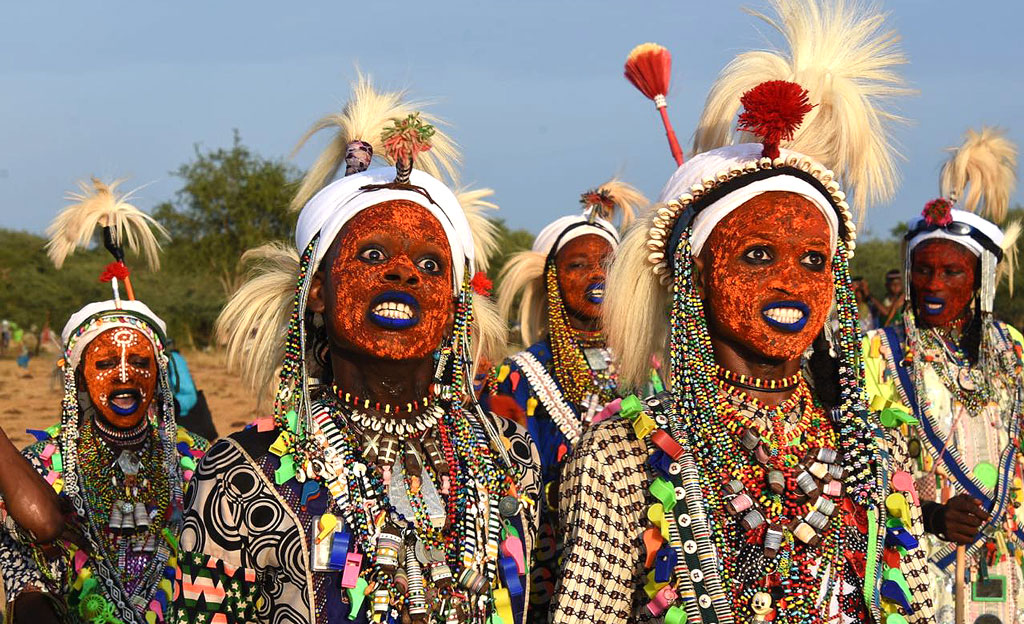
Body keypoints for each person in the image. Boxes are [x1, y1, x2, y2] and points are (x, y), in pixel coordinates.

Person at [553, 1, 935, 621]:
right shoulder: (621, 451)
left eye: (814, 261)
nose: (791, 280)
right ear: (694, 273)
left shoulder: (872, 451)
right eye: (758, 255)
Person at [174, 75, 539, 624]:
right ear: (316, 290)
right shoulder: (243, 472)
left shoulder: (509, 459)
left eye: (431, 265)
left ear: (455, 305)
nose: (403, 273)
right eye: (371, 255)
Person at [0, 178, 208, 624]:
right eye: (105, 363)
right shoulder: (41, 466)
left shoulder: (197, 461)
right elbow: (19, 570)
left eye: (139, 361)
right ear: (76, 375)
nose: (124, 376)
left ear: (160, 373)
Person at [863, 127, 1020, 624]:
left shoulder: (1014, 351)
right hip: (920, 566)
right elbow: (862, 463)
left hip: (1008, 564)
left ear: (980, 281)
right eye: (923, 270)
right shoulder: (879, 355)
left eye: (951, 272)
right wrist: (930, 516)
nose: (933, 285)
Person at [479, 179, 647, 621]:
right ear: (552, 279)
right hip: (553, 574)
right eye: (578, 265)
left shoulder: (648, 367)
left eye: (607, 263)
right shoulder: (515, 377)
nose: (597, 274)